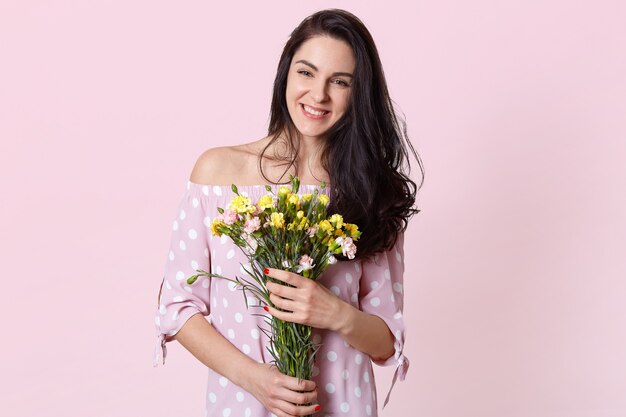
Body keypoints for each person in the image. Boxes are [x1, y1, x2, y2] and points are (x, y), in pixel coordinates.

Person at [154, 8, 423, 417]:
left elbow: (387, 341)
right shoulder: (217, 174)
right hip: (242, 405)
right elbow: (178, 307)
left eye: (340, 81)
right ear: (286, 74)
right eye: (307, 73)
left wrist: (333, 312)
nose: (318, 95)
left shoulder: (369, 189)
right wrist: (254, 380)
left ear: (358, 93)